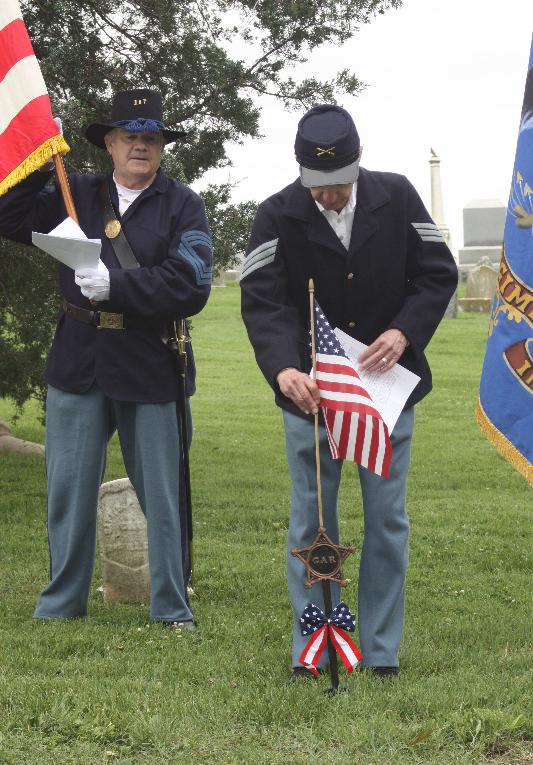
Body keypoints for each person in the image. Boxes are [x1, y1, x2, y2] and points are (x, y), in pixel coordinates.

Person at [241, 104, 458, 679]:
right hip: (310, 393)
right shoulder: (276, 214)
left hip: (385, 391)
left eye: (336, 186)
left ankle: (380, 651)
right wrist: (284, 366)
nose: (327, 198)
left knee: (387, 519)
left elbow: (438, 273)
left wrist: (404, 330)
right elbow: (263, 301)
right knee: (313, 521)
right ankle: (315, 644)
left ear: (358, 167)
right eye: (315, 186)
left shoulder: (399, 196)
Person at [0, 89, 212, 627]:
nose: (140, 146)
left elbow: (192, 283)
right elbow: (10, 215)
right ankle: (61, 604)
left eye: (151, 138)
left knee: (161, 496)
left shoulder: (183, 203)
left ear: (162, 148)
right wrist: (38, 151)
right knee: (68, 490)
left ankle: (171, 606)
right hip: (80, 357)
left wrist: (117, 285)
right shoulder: (78, 192)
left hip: (150, 359)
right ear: (110, 145)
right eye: (130, 137)